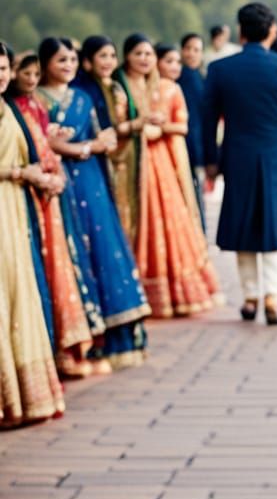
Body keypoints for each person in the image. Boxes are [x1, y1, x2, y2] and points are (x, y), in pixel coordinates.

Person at [37, 37, 150, 369]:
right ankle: (80, 341)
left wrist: (90, 145)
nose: (68, 66)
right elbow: (43, 143)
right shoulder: (36, 101)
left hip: (91, 180)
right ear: (45, 65)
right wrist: (78, 147)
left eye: (72, 60)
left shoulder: (84, 98)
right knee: (74, 251)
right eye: (61, 61)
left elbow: (107, 137)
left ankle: (114, 339)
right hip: (61, 181)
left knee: (102, 246)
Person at [203, 1, 277, 326]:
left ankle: (250, 296)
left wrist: (211, 160)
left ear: (240, 32)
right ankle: (273, 299)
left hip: (237, 156)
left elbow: (208, 119)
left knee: (244, 225)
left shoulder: (221, 70)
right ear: (271, 31)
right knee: (275, 228)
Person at [6, 53, 96, 378]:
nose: (28, 79)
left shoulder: (25, 108)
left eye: (4, 68)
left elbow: (40, 147)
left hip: (38, 196)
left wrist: (50, 172)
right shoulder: (13, 109)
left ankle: (56, 352)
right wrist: (27, 174)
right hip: (17, 198)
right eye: (22, 72)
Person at [120, 35, 221, 318]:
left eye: (149, 54)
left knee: (168, 217)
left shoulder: (165, 88)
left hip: (162, 161)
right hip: (132, 160)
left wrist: (160, 128)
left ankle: (174, 289)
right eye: (139, 54)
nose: (145, 59)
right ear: (126, 56)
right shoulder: (121, 88)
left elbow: (182, 125)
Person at [0, 41, 67, 426]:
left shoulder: (10, 108)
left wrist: (39, 174)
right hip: (7, 196)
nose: (3, 74)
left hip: (14, 209)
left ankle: (25, 399)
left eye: (5, 67)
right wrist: (18, 174)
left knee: (18, 290)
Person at [76, 36, 144, 246]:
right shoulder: (84, 90)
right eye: (102, 56)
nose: (108, 61)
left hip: (126, 155)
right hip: (100, 158)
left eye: (112, 56)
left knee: (129, 207)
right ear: (88, 61)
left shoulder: (115, 86)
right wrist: (135, 125)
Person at [179, 32, 207, 227]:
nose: (191, 54)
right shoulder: (182, 77)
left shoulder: (200, 76)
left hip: (198, 141)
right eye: (188, 49)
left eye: (196, 50)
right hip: (187, 142)